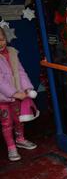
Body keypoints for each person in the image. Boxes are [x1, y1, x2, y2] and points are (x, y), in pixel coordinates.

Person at [0, 26, 38, 162]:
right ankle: (11, 147)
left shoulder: (12, 52)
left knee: (19, 119)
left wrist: (27, 88)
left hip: (17, 95)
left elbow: (21, 72)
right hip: (3, 99)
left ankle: (20, 139)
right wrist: (14, 93)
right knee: (7, 122)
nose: (1, 43)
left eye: (2, 39)